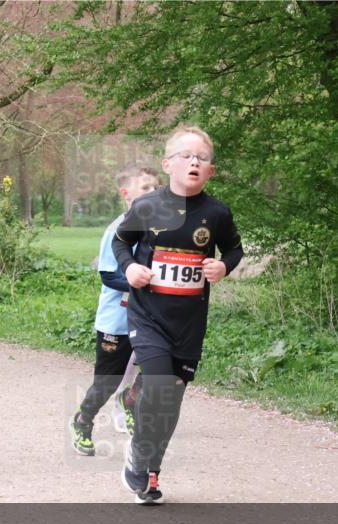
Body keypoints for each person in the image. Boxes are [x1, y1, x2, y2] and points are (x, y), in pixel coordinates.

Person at [112, 126, 243, 504]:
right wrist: (131, 269)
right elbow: (123, 242)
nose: (194, 162)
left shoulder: (217, 213)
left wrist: (223, 267)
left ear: (211, 170)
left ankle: (150, 469)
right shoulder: (147, 206)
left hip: (188, 325)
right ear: (168, 164)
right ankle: (139, 458)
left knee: (170, 402)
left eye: (202, 158)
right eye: (186, 156)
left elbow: (234, 251)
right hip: (148, 316)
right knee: (155, 385)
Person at [69, 165, 160, 455]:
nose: (153, 192)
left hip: (149, 319)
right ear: (126, 194)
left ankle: (130, 399)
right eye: (145, 187)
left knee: (164, 366)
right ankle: (83, 421)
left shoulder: (161, 231)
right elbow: (108, 275)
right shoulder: (116, 231)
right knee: (107, 382)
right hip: (116, 321)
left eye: (156, 187)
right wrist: (141, 283)